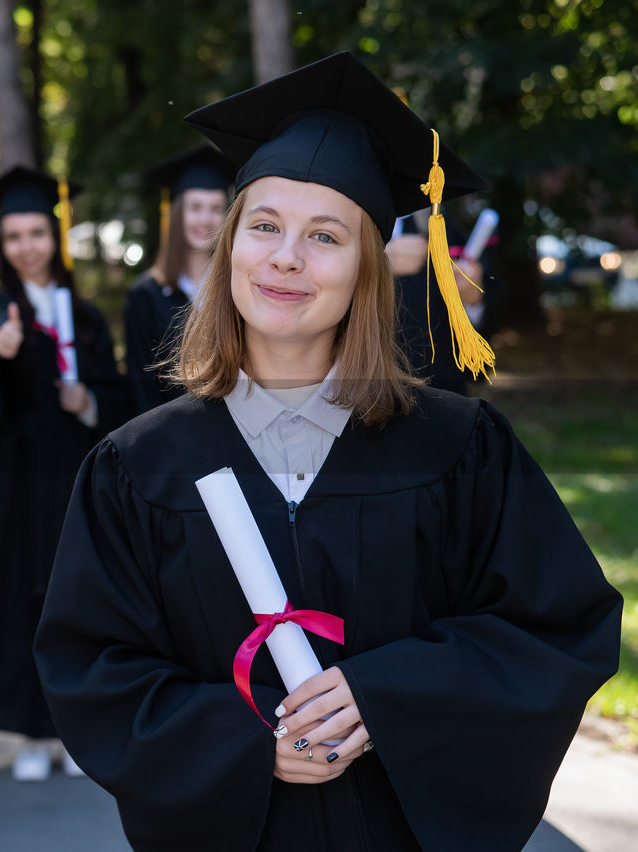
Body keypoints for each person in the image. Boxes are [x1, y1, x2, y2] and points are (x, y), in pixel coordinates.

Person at [33, 52, 621, 851]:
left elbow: (556, 630)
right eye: (265, 226)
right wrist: (247, 742)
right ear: (230, 247)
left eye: (325, 236)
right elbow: (93, 668)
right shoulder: (137, 469)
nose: (285, 257)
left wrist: (386, 698)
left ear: (366, 273)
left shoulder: (459, 447)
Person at [0, 166, 129, 781]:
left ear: (55, 237)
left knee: (80, 596)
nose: (26, 246)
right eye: (13, 237)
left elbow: (116, 391)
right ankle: (32, 731)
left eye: (36, 233)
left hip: (78, 473)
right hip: (18, 477)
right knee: (24, 594)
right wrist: (0, 354)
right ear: (1, 246)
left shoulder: (86, 314)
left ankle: (74, 731)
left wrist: (91, 403)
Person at [125, 144, 234, 412]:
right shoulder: (145, 296)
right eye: (195, 207)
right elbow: (141, 385)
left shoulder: (237, 285)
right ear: (177, 214)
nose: (206, 219)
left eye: (216, 208)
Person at [387, 208, 486, 394]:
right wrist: (378, 262)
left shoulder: (437, 220)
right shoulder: (346, 217)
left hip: (440, 388)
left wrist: (472, 301)